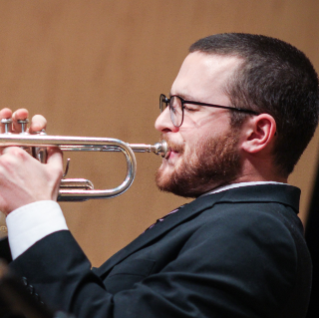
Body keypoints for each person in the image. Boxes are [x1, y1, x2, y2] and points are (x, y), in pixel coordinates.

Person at [0, 33, 318, 318]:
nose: (162, 121)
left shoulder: (257, 233)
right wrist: (15, 212)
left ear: (257, 133)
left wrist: (34, 210)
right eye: (168, 103)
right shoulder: (225, 220)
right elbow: (88, 301)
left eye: (186, 107)